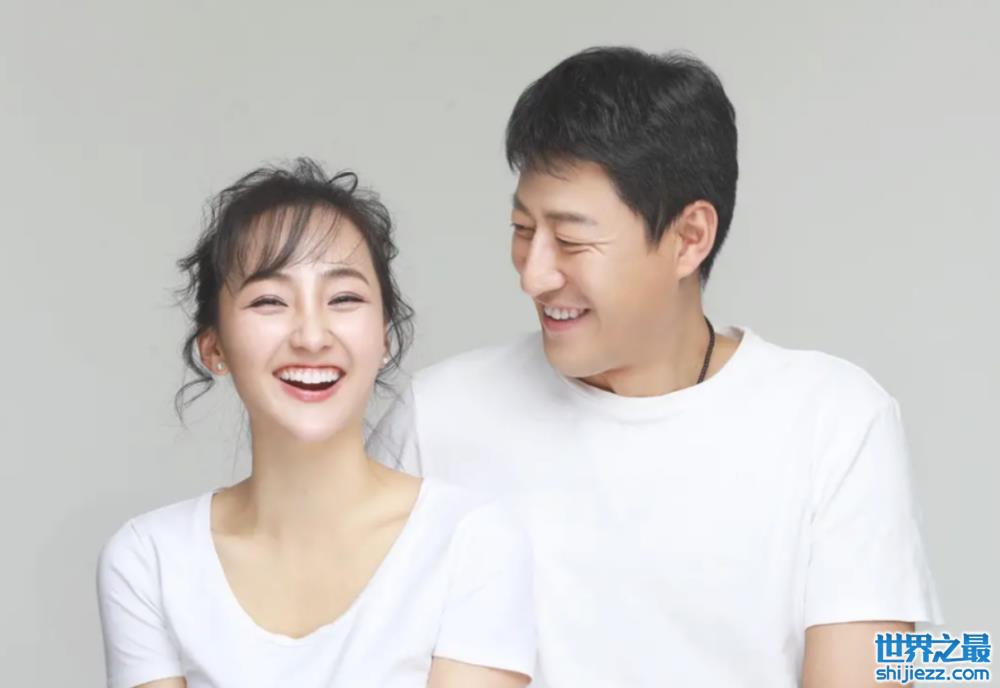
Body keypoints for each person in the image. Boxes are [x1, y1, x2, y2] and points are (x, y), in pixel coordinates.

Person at [368, 47, 941, 687]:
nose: (534, 274)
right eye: (523, 229)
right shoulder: (440, 418)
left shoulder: (832, 421)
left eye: (571, 239)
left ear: (689, 238)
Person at [96, 159, 536, 688]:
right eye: (270, 301)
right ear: (214, 348)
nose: (311, 336)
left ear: (384, 338)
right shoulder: (150, 559)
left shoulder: (471, 541)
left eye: (344, 299)